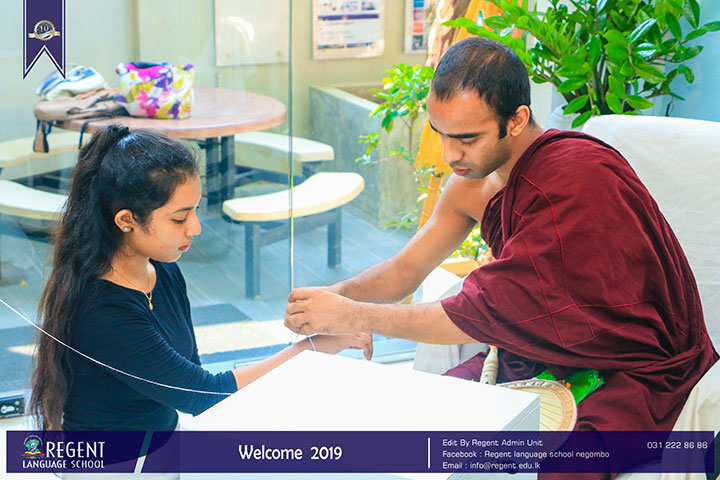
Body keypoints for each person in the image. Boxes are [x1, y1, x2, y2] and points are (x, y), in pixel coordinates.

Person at [284, 37, 718, 451]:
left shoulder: (579, 178)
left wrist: (354, 314)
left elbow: (478, 312)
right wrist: (334, 296)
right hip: (538, 351)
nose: (450, 154)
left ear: (516, 120)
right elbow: (404, 271)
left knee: (566, 464)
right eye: (441, 133)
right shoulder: (469, 185)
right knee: (430, 419)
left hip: (630, 366)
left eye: (467, 139)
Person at [30, 125, 372, 434]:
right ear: (126, 221)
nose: (195, 228)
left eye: (195, 210)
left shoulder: (162, 271)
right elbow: (201, 395)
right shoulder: (102, 309)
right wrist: (312, 347)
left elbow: (190, 373)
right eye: (179, 218)